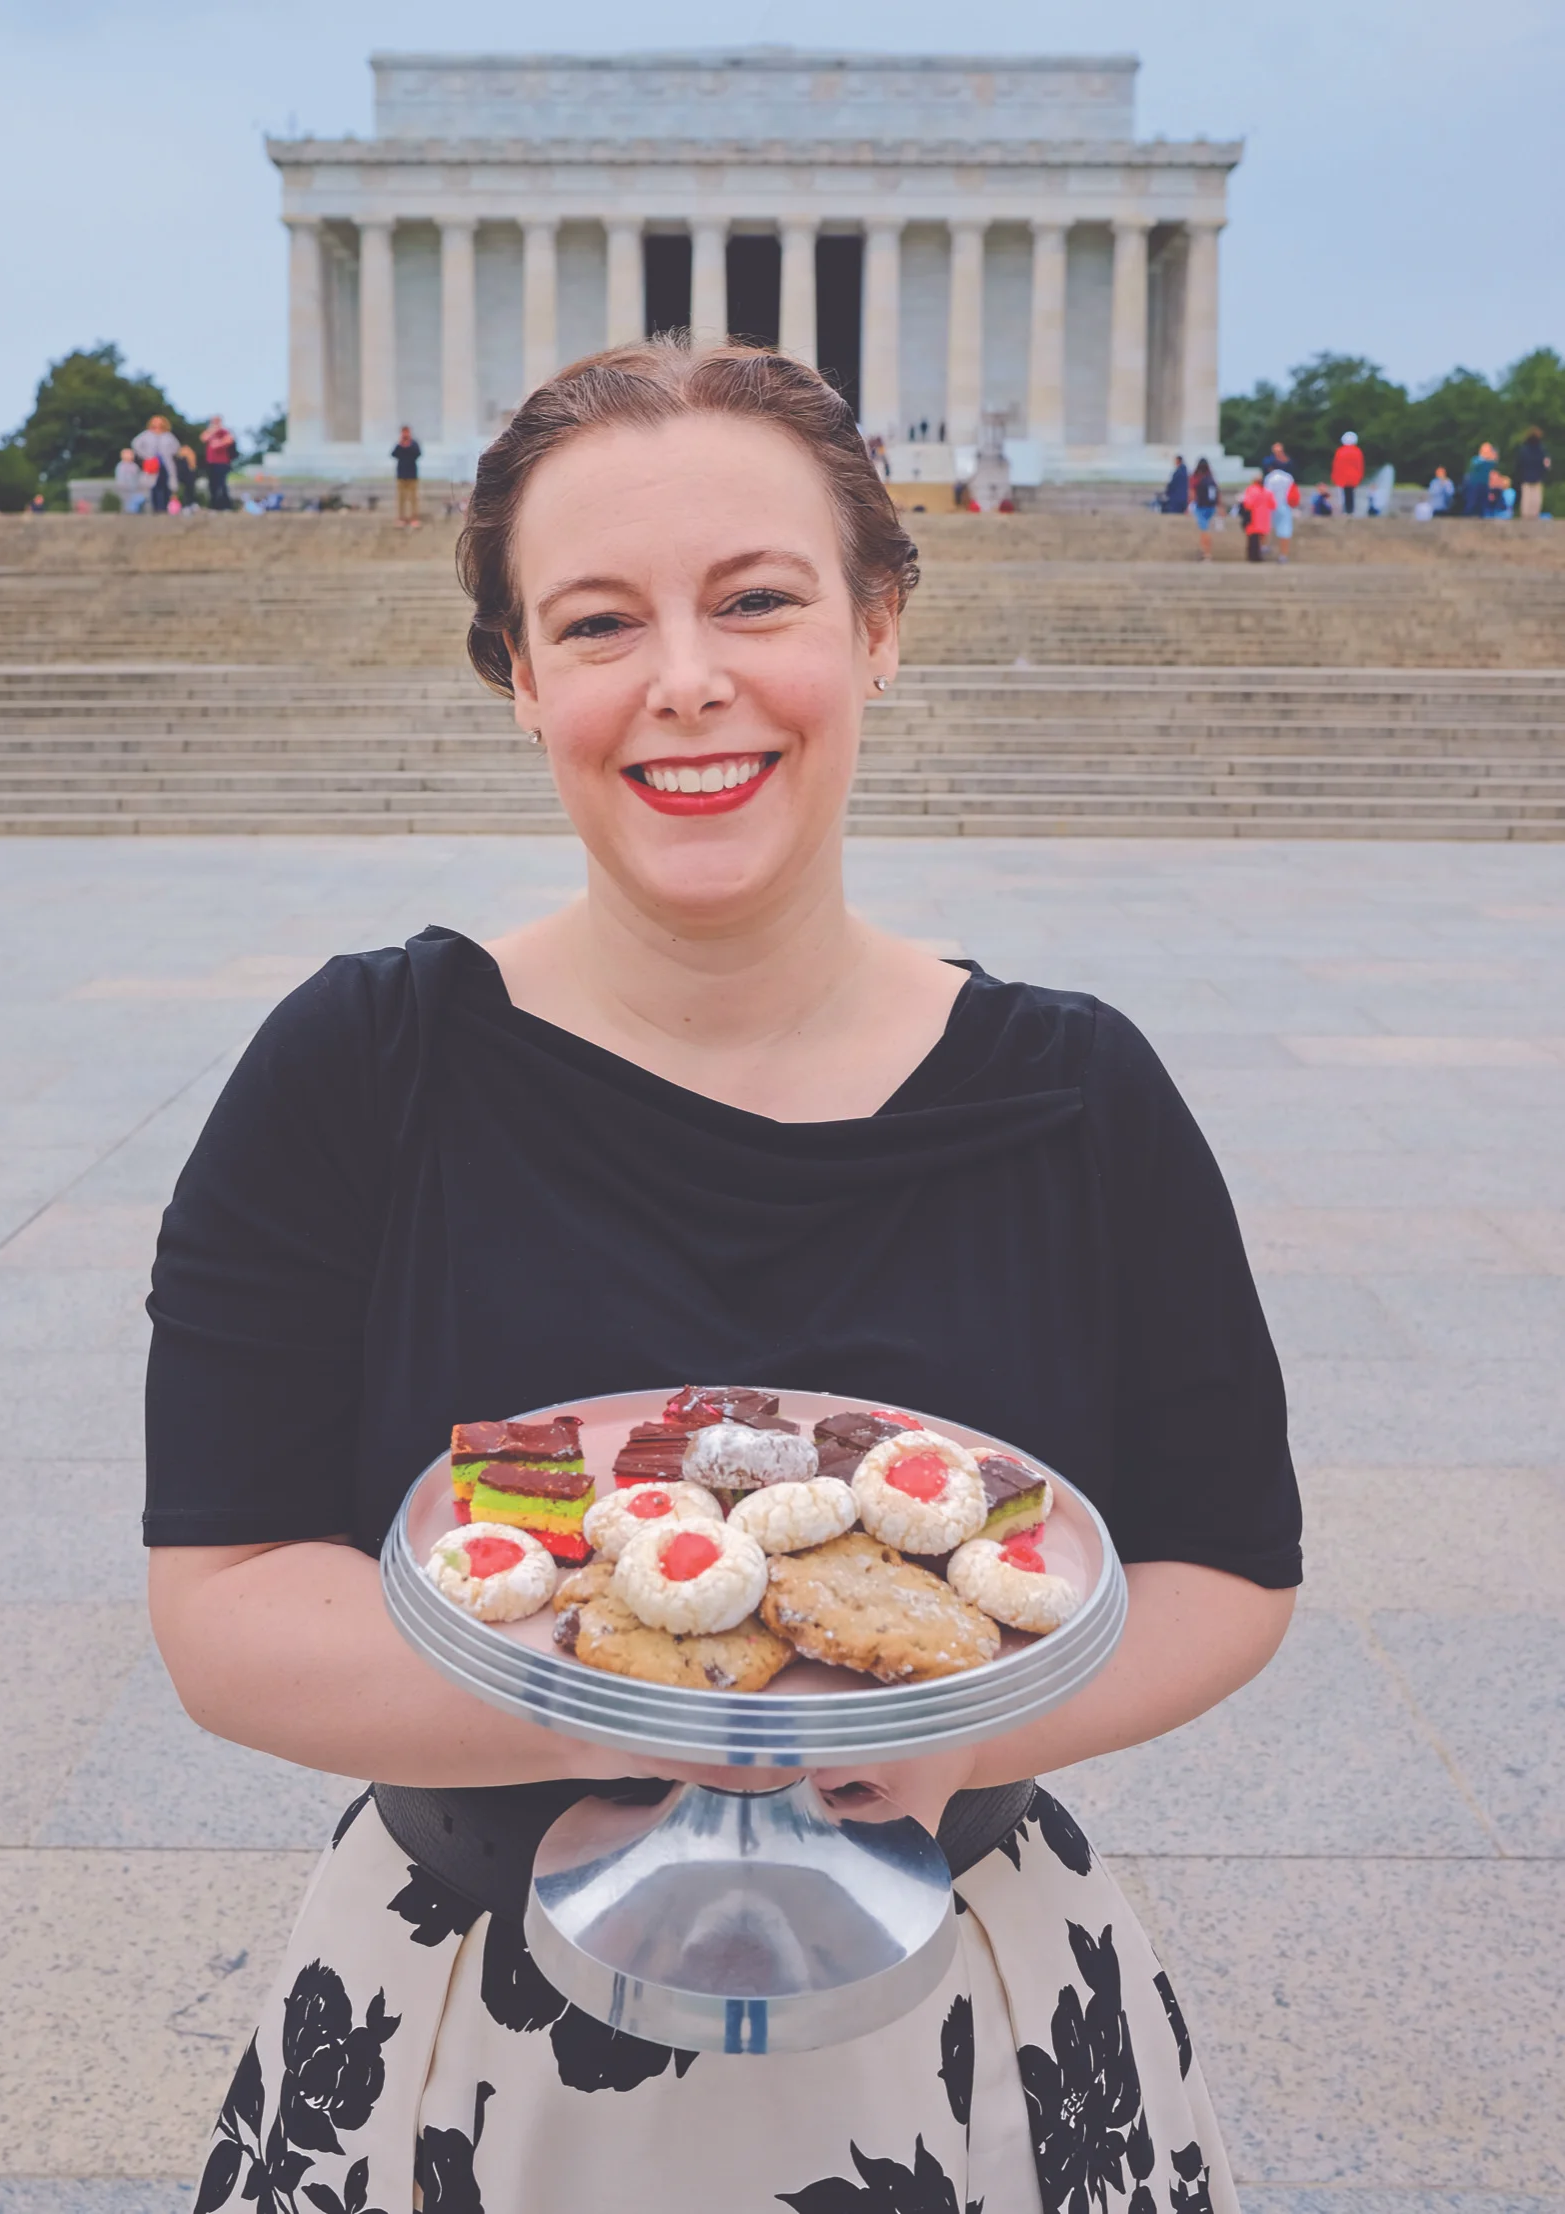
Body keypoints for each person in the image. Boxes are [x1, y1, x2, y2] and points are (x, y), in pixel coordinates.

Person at [148, 338, 1298, 2214]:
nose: (687, 681)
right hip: (468, 2013)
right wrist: (700, 1703)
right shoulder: (358, 1066)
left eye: (757, 599)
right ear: (522, 678)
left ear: (877, 625)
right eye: (597, 622)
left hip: (973, 2010)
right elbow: (220, 1597)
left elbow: (1225, 1557)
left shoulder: (1080, 1091)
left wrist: (939, 1734)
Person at [132, 414, 180, 513]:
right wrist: (145, 455)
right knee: (154, 486)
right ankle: (157, 508)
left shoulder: (168, 435)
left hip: (165, 463)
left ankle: (165, 507)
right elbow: (135, 444)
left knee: (166, 485)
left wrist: (168, 453)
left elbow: (176, 447)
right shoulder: (146, 434)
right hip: (152, 464)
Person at [1516, 426, 1552, 521]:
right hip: (1537, 478)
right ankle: (1533, 518)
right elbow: (1546, 464)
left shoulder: (1524, 450)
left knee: (1527, 500)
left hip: (1526, 478)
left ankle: (1526, 517)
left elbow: (1519, 465)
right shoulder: (1542, 450)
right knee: (1536, 501)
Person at [1238, 468, 1275, 559]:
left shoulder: (1251, 490)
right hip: (1264, 520)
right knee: (1262, 538)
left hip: (1253, 519)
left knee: (1252, 540)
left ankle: (1253, 556)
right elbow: (1273, 505)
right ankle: (1261, 554)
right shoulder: (1267, 492)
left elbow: (1248, 505)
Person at [1264, 464, 1298, 561]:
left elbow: (1268, 493)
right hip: (1285, 506)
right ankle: (1283, 555)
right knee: (1285, 531)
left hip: (1272, 506)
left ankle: (1265, 546)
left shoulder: (1270, 478)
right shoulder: (1288, 477)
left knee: (1267, 528)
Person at [203, 417, 238, 510]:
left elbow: (229, 440)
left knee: (221, 484)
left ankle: (226, 505)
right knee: (212, 485)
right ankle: (214, 505)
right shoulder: (210, 432)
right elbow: (203, 438)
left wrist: (218, 443)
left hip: (222, 462)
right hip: (211, 462)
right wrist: (212, 431)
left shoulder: (224, 431)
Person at [392, 424, 423, 526]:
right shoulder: (399, 444)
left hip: (412, 475)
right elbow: (394, 454)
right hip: (401, 475)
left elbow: (418, 454)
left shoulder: (414, 444)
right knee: (401, 498)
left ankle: (414, 518)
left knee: (413, 498)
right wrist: (401, 444)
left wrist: (409, 445)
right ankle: (401, 518)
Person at [1188, 455, 1219, 557]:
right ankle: (1204, 549)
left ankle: (1206, 552)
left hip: (1201, 506)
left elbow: (1192, 493)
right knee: (1205, 529)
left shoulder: (1197, 478)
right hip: (1211, 507)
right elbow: (1217, 493)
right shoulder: (1211, 478)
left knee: (1204, 530)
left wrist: (1189, 505)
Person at [1330, 431, 1364, 515]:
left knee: (1343, 495)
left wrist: (1334, 476)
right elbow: (1360, 465)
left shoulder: (1340, 451)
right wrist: (1360, 476)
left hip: (1342, 477)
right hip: (1354, 477)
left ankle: (1345, 510)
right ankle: (1350, 510)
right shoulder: (1357, 451)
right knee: (1351, 494)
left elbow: (1336, 465)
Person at [1462, 441, 1497, 519]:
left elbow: (1493, 469)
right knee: (1471, 503)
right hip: (1474, 485)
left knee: (1483, 505)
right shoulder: (1476, 460)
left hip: (1484, 485)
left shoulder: (1490, 462)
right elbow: (1474, 467)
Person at [114, 448, 146, 514]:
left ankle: (134, 511)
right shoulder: (120, 466)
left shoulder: (134, 466)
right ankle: (129, 511)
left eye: (131, 454)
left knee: (136, 500)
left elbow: (138, 476)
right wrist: (121, 485)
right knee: (126, 501)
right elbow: (120, 477)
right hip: (124, 488)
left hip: (134, 488)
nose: (130, 456)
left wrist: (139, 485)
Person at [174, 444, 199, 512]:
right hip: (184, 476)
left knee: (189, 489)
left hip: (188, 476)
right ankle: (186, 505)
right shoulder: (180, 461)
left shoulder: (187, 460)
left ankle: (188, 504)